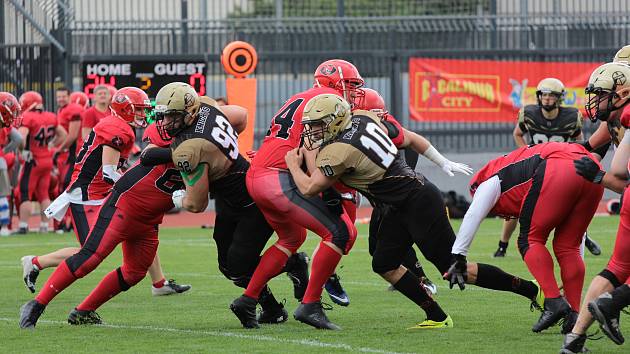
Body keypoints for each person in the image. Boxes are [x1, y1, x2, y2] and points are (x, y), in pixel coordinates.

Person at [286, 93, 543, 330]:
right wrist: (442, 162)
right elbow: (410, 138)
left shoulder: (338, 151)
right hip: (401, 203)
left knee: (454, 268)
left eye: (318, 124)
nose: (312, 131)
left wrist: (293, 165)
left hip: (417, 203)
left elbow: (309, 188)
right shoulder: (365, 117)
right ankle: (437, 316)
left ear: (336, 121)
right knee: (384, 263)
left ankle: (532, 290)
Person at [154, 82, 307, 326]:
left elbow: (196, 204)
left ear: (189, 113)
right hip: (233, 195)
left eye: (173, 116)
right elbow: (241, 116)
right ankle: (272, 309)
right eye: (164, 115)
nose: (166, 122)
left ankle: (291, 266)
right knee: (227, 266)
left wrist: (176, 196)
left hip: (252, 201)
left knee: (239, 266)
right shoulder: (205, 106)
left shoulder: (189, 148)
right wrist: (224, 149)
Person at [230, 59, 363, 330]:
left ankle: (247, 299)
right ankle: (310, 304)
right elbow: (312, 143)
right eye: (349, 84)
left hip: (259, 174)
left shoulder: (301, 96)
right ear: (334, 81)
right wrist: (323, 184)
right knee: (341, 232)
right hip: (278, 177)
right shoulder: (328, 100)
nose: (352, 91)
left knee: (293, 237)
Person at [18, 123, 191, 328]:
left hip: (150, 219)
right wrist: (179, 154)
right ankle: (36, 305)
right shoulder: (164, 132)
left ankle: (83, 311)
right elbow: (148, 155)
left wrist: (187, 196)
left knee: (134, 272)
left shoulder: (206, 152)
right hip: (123, 206)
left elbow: (198, 201)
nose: (167, 119)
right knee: (88, 258)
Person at [357, 88, 473, 294]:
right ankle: (414, 278)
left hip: (401, 188)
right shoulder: (360, 127)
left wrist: (442, 162)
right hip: (391, 189)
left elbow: (411, 140)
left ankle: (422, 280)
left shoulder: (381, 127)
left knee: (396, 235)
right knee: (377, 248)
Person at [560, 61, 630, 353]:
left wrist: (600, 176)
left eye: (602, 94)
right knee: (617, 272)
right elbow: (615, 166)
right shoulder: (622, 115)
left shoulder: (624, 115)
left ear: (622, 92)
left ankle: (574, 339)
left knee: (616, 269)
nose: (596, 101)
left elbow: (616, 167)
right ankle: (611, 303)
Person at [494, 78, 601, 257]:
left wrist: (573, 158)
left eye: (551, 95)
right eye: (543, 94)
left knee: (574, 205)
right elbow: (518, 134)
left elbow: (579, 141)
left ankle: (584, 237)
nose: (547, 99)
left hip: (561, 169)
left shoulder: (571, 116)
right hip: (536, 166)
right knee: (516, 205)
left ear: (559, 98)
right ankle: (502, 245)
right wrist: (527, 153)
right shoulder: (529, 113)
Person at [16, 91, 67, 234]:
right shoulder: (50, 116)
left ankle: (23, 226)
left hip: (33, 160)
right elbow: (63, 135)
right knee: (43, 194)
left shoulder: (27, 117)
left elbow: (21, 138)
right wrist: (50, 146)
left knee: (25, 193)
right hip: (46, 159)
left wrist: (22, 150)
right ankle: (45, 226)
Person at [0, 92, 23, 236]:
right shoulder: (6, 126)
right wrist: (4, 150)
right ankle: (3, 227)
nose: (14, 112)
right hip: (1, 160)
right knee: (2, 194)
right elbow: (18, 139)